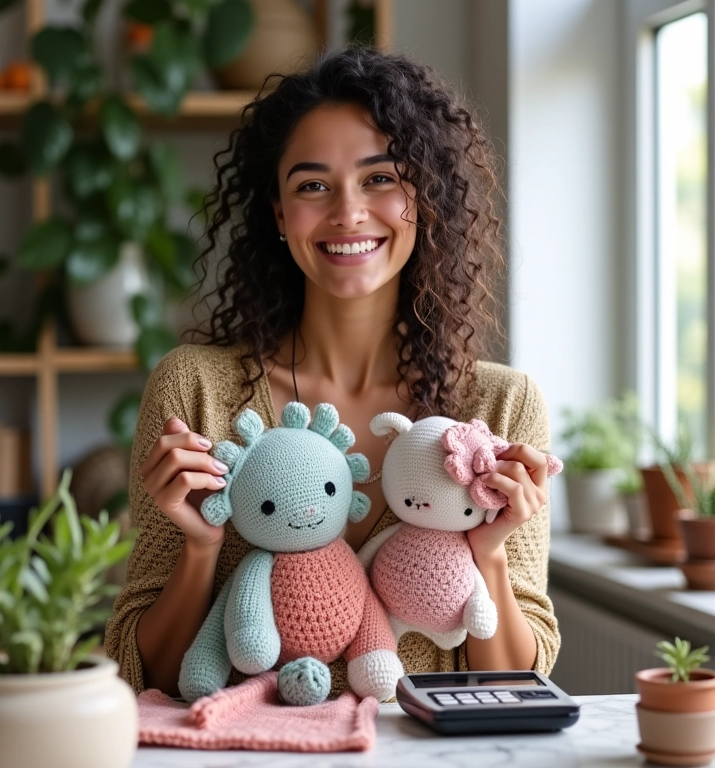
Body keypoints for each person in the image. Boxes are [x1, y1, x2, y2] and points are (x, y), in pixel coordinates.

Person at [105, 46, 560, 697]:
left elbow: (520, 683)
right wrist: (201, 550)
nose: (348, 211)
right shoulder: (194, 390)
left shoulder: (499, 406)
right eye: (313, 185)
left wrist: (487, 553)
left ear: (424, 198)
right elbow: (141, 673)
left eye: (380, 178)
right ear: (279, 215)